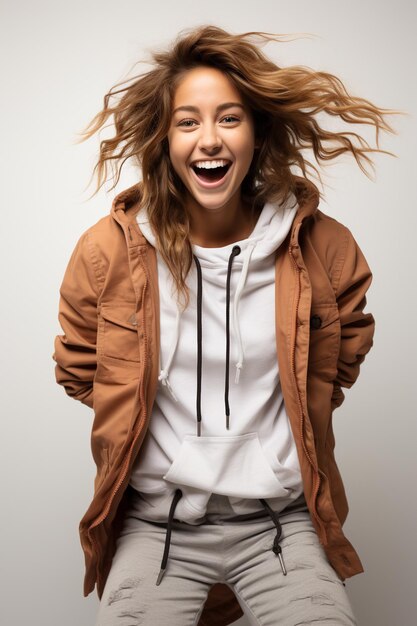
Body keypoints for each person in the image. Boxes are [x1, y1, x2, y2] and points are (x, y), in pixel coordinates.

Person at [52, 25, 400, 626]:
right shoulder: (108, 252)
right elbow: (82, 370)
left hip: (282, 524)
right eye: (187, 121)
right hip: (155, 527)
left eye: (229, 118)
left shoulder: (325, 248)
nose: (208, 140)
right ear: (164, 138)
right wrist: (146, 423)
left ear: (257, 132)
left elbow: (335, 364)